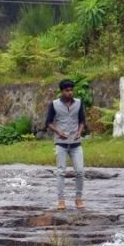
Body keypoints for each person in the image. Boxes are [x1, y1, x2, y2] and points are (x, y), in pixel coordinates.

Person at [43, 78, 87, 211]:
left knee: (79, 171)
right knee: (61, 172)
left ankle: (78, 199)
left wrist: (80, 132)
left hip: (75, 142)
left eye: (71, 90)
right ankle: (61, 200)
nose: (70, 92)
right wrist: (58, 131)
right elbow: (49, 122)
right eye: (67, 90)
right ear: (62, 91)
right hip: (61, 142)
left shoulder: (78, 103)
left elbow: (82, 121)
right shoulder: (55, 104)